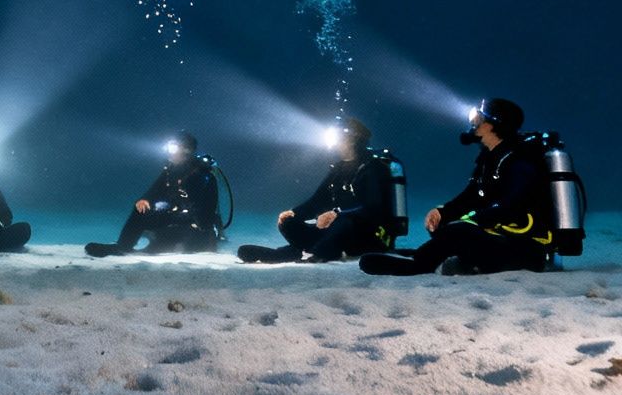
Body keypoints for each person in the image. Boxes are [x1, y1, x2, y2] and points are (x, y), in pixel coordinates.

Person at [359, 98, 555, 277]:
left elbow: (512, 208)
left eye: (479, 116)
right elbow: (471, 197)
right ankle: (443, 257)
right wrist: (443, 212)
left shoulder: (521, 161)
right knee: (446, 225)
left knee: (459, 231)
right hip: (500, 238)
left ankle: (419, 263)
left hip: (526, 248)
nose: (474, 121)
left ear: (493, 123)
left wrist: (470, 220)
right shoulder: (490, 159)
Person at [238, 116, 396, 264]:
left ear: (352, 140)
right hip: (338, 234)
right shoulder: (338, 169)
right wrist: (294, 213)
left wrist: (337, 213)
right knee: (288, 222)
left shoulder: (374, 168)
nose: (336, 143)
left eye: (340, 138)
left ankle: (314, 251)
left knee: (344, 221)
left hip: (372, 237)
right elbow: (317, 201)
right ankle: (309, 250)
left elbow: (373, 207)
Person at [84, 131, 221, 257]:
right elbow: (155, 190)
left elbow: (204, 213)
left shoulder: (201, 176)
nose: (170, 152)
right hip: (178, 217)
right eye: (169, 148)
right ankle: (123, 247)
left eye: (173, 148)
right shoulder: (170, 171)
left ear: (186, 150)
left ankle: (168, 243)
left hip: (196, 226)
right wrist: (145, 199)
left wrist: (175, 217)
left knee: (165, 241)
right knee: (141, 209)